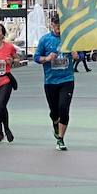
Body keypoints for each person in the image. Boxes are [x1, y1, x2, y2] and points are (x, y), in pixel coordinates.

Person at [34, 10, 75, 151]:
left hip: (67, 79)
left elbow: (80, 55)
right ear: (52, 25)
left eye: (62, 26)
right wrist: (46, 58)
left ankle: (61, 139)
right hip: (50, 81)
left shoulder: (69, 39)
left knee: (64, 108)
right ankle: (55, 123)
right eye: (57, 26)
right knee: (54, 112)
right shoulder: (45, 40)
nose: (59, 29)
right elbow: (36, 57)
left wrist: (76, 54)